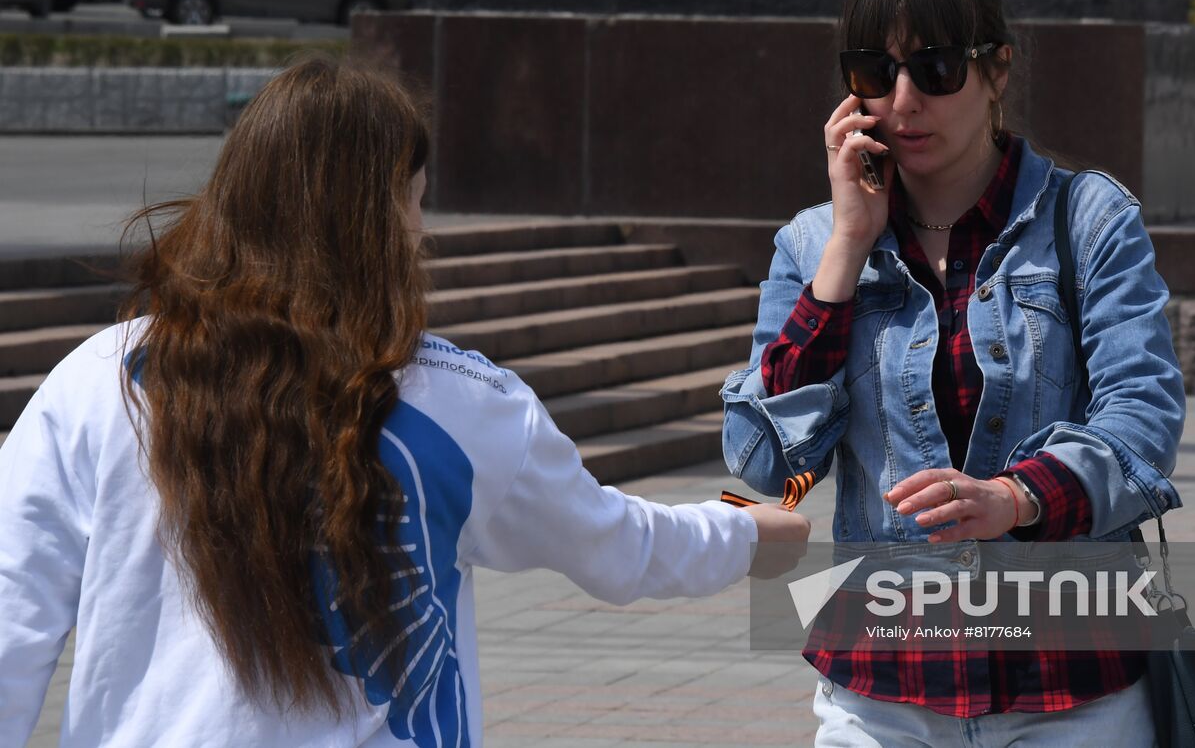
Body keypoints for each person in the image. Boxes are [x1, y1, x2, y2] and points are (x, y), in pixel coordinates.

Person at [0, 57, 810, 748]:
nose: (420, 232)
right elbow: (618, 547)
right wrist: (746, 535)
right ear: (374, 217)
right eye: (413, 199)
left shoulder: (99, 380)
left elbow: (13, 620)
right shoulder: (461, 403)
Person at [721, 0, 1184, 745]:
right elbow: (764, 465)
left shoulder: (1089, 221)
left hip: (1069, 688)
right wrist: (845, 251)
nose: (902, 102)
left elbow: (1142, 424)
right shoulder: (812, 244)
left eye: (934, 69)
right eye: (874, 71)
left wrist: (1016, 498)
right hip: (883, 692)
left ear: (996, 67)